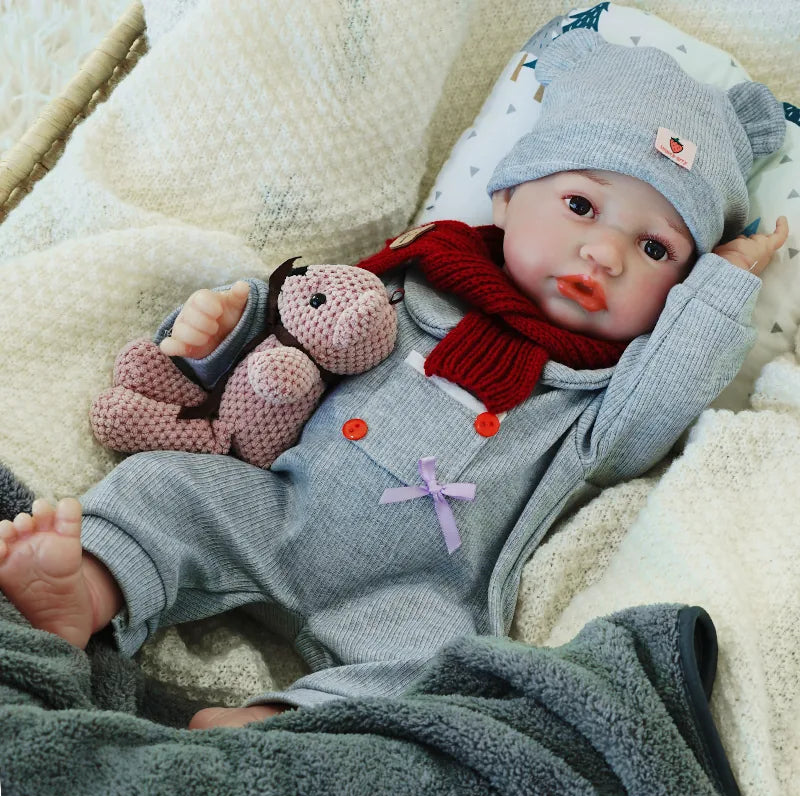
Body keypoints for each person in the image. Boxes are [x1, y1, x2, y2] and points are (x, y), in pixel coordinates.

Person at [0, 29, 790, 729]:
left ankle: (270, 728)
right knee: (162, 491)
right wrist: (217, 334)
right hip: (279, 504)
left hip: (419, 593)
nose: (605, 255)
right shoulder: (414, 282)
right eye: (581, 204)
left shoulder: (596, 398)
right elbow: (292, 337)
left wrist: (724, 280)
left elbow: (676, 381)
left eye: (656, 250)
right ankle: (91, 586)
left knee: (447, 673)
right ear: (509, 195)